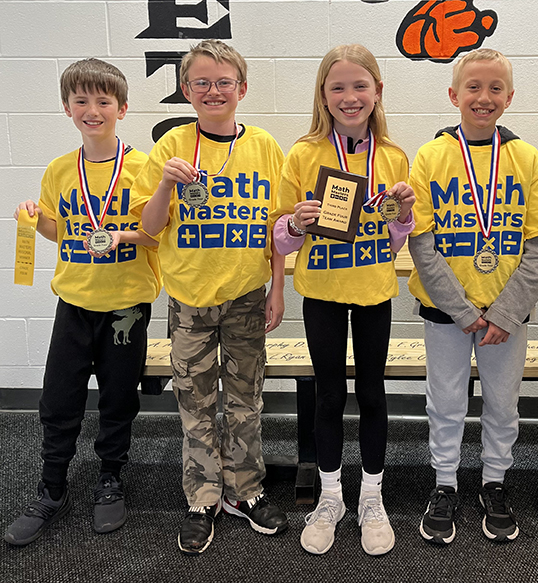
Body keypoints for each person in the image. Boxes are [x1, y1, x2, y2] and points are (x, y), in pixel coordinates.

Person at [129, 40, 287, 555]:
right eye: (202, 82)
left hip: (247, 295)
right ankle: (202, 497)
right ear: (185, 89)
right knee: (195, 403)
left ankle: (245, 490)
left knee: (245, 401)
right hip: (189, 300)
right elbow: (149, 229)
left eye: (224, 82)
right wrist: (164, 187)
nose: (213, 91)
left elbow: (277, 227)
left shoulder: (265, 146)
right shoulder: (172, 145)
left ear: (242, 88)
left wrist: (278, 288)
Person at [4, 59, 161, 546]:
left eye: (103, 101)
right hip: (73, 302)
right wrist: (34, 219)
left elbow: (157, 235)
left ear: (122, 108)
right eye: (81, 101)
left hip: (126, 306)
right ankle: (52, 488)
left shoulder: (142, 167)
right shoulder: (59, 170)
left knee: (118, 398)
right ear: (66, 107)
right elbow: (62, 231)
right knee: (58, 398)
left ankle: (110, 478)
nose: (92, 110)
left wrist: (122, 236)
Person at [408, 48, 538, 545]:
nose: (484, 97)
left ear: (510, 97)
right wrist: (462, 310)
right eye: (473, 87)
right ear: (454, 95)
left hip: (506, 315)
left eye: (496, 88)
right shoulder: (431, 157)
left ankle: (494, 482)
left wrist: (507, 312)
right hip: (446, 312)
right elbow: (421, 242)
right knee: (446, 401)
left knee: (502, 402)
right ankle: (444, 484)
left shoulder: (525, 158)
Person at [270, 44, 415, 556]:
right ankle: (331, 496)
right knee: (329, 396)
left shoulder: (394, 156)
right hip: (323, 295)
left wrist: (403, 216)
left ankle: (372, 496)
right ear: (323, 94)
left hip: (374, 292)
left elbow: (394, 242)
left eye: (360, 86)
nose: (349, 97)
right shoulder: (303, 153)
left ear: (378, 91)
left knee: (372, 394)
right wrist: (295, 224)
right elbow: (279, 238)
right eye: (338, 87)